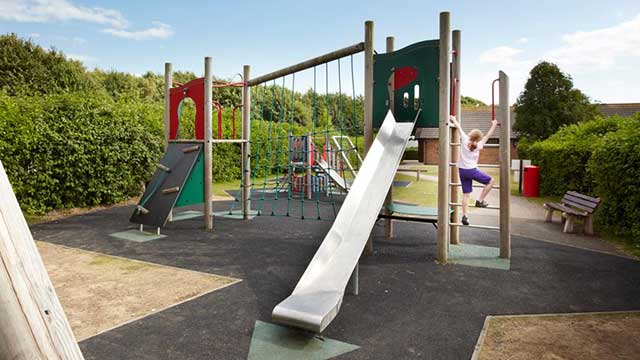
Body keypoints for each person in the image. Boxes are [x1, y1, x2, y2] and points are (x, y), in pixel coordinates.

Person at [449, 115, 497, 225]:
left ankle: (465, 216)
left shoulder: (465, 139)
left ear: (471, 134)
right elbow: (488, 135)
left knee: (466, 195)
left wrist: (453, 119)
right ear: (479, 138)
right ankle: (480, 200)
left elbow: (458, 126)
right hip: (472, 170)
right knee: (491, 181)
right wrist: (494, 124)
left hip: (462, 171)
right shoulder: (479, 144)